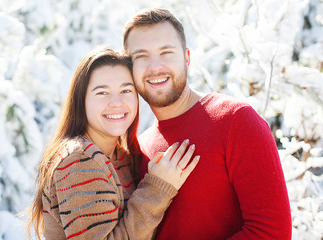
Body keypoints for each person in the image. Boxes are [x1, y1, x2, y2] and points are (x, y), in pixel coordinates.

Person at [123, 8, 292, 239]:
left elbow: (272, 232)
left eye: (166, 52)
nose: (155, 67)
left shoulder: (236, 121)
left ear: (187, 58)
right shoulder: (139, 148)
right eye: (141, 56)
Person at [25, 47, 200, 240]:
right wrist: (158, 188)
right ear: (81, 101)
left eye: (126, 90)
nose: (116, 102)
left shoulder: (119, 157)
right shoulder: (80, 159)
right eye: (102, 93)